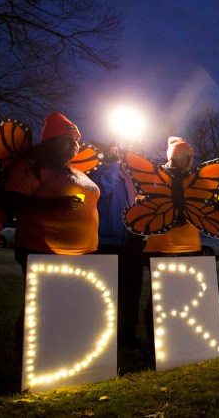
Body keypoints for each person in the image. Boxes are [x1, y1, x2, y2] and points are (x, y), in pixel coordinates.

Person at [2, 112, 100, 353]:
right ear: (51, 142)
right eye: (67, 139)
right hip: (43, 250)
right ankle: (30, 359)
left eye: (76, 140)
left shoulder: (75, 170)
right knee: (40, 308)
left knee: (72, 306)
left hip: (83, 252)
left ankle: (63, 352)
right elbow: (13, 199)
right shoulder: (32, 166)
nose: (74, 144)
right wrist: (54, 205)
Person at [142, 137, 203, 346]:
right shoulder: (157, 178)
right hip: (163, 247)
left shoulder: (194, 179)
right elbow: (146, 207)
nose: (190, 161)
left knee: (187, 296)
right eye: (186, 156)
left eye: (191, 157)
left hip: (191, 246)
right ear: (175, 157)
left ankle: (181, 340)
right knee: (160, 298)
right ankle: (157, 344)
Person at [89, 142, 144, 349]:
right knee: (104, 295)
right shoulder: (103, 171)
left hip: (131, 241)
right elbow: (101, 191)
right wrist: (114, 165)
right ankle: (101, 340)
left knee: (131, 293)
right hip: (106, 240)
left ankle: (127, 338)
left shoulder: (136, 178)